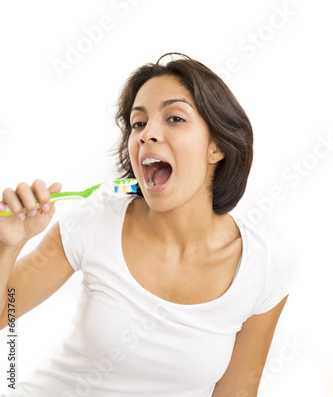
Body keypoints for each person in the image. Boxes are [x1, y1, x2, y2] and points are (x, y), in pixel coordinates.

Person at [0, 53, 296, 396]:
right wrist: (8, 244)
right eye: (138, 123)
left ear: (216, 146)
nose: (146, 134)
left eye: (174, 118)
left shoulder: (265, 265)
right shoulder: (95, 221)